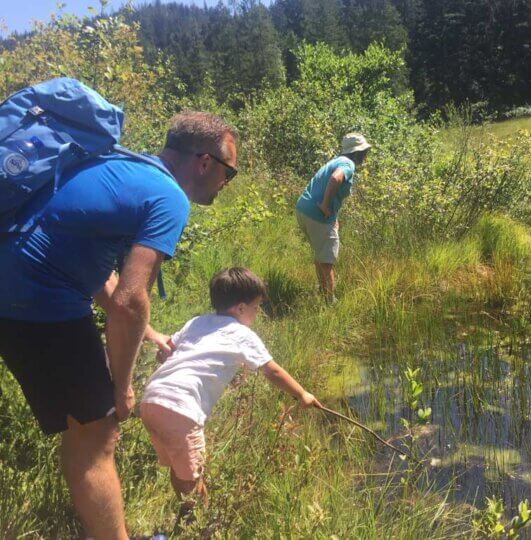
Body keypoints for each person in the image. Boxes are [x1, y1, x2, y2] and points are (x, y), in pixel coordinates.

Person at [0, 111, 239, 540]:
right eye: (229, 172)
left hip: (14, 296)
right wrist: (123, 387)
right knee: (99, 435)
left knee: (84, 428)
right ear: (205, 162)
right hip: (38, 305)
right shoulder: (169, 196)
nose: (226, 183)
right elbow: (131, 299)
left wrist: (147, 334)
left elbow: (88, 268)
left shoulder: (119, 165)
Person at [140, 267, 321, 514]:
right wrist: (302, 394)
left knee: (179, 467)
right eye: (256, 308)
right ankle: (201, 528)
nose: (257, 314)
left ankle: (186, 516)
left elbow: (167, 349)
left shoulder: (198, 322)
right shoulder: (242, 334)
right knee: (194, 478)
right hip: (181, 407)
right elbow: (273, 371)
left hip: (152, 399)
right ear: (240, 308)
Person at [295, 133, 370, 303]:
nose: (366, 155)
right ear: (356, 152)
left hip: (303, 210)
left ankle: (323, 293)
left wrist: (332, 215)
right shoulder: (348, 164)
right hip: (317, 213)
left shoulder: (336, 160)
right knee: (327, 260)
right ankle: (330, 302)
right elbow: (335, 179)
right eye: (364, 151)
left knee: (320, 255)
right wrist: (325, 205)